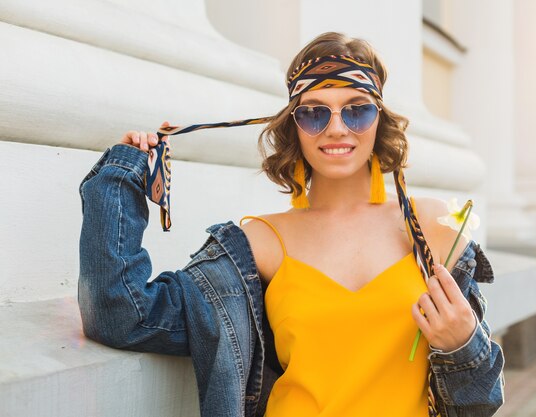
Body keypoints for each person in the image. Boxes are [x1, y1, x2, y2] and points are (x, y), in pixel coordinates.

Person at [78, 32, 504, 417]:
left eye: (356, 111)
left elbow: (481, 402)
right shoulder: (257, 243)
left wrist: (464, 343)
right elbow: (122, 315)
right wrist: (122, 176)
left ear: (379, 120)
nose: (336, 128)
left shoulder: (430, 230)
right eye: (315, 114)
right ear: (294, 127)